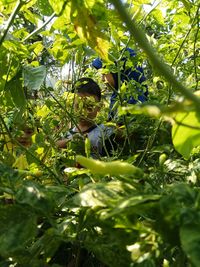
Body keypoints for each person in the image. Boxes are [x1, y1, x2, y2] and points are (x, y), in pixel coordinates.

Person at [56, 77, 114, 158]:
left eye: (89, 107)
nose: (83, 112)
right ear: (72, 105)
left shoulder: (105, 133)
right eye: (78, 106)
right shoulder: (68, 135)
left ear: (99, 107)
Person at [92, 47, 148, 120]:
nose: (102, 79)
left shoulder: (135, 102)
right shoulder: (117, 96)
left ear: (117, 72)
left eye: (104, 74)